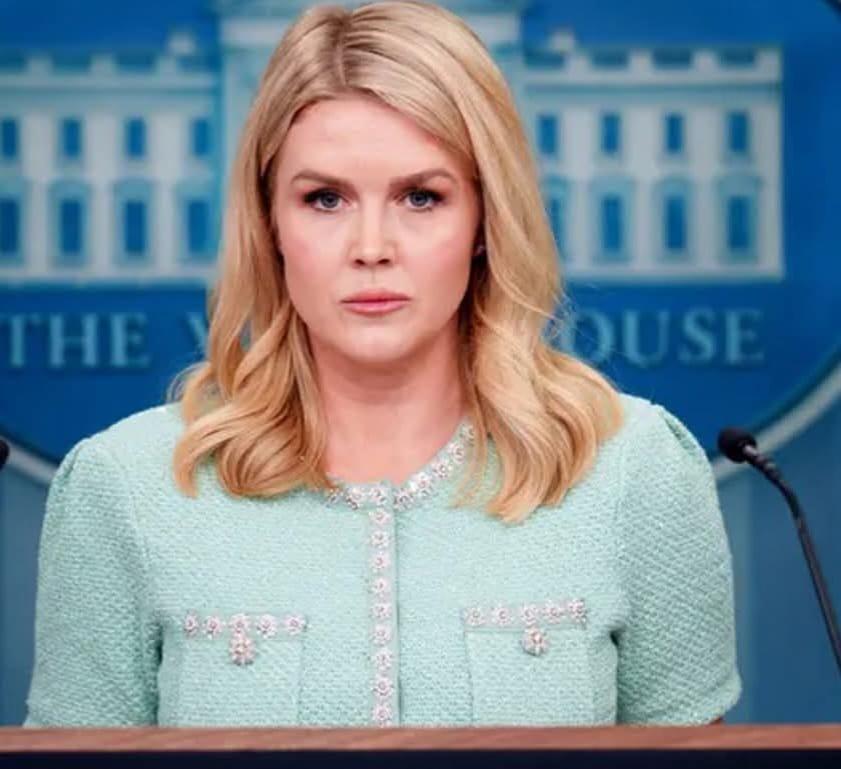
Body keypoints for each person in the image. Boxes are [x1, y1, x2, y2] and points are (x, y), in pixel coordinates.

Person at [23, 0, 741, 727]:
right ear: (269, 222)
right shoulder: (126, 485)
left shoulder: (632, 467)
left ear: (485, 220)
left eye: (421, 197)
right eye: (325, 199)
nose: (371, 247)